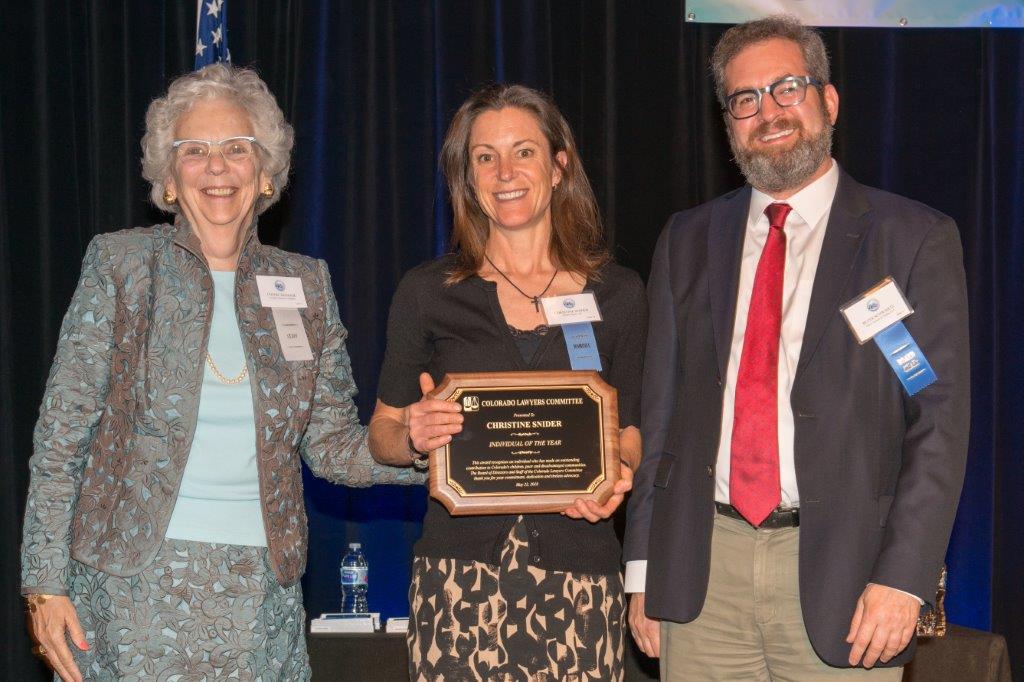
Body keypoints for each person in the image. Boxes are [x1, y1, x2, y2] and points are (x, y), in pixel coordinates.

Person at [20, 63, 421, 681]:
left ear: (264, 175)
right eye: (195, 150)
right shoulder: (123, 265)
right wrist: (43, 585)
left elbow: (333, 446)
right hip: (127, 586)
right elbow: (60, 437)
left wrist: (426, 448)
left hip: (263, 589)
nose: (216, 167)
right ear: (169, 178)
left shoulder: (306, 283)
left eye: (236, 149)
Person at [624, 15, 970, 680]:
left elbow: (940, 422)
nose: (768, 112)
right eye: (745, 99)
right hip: (701, 574)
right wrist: (644, 567)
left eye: (787, 88)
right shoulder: (687, 240)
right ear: (728, 123)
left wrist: (906, 576)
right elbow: (659, 414)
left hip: (848, 573)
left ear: (828, 100)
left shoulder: (911, 239)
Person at [368, 83, 646, 680]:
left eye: (523, 151)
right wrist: (414, 435)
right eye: (484, 157)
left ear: (558, 166)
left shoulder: (618, 293)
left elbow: (632, 431)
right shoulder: (427, 292)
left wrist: (616, 474)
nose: (504, 172)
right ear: (467, 177)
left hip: (581, 573)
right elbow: (383, 432)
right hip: (456, 580)